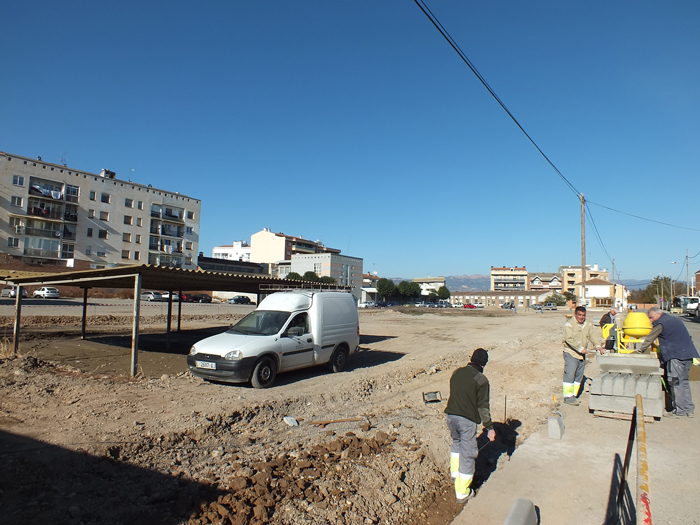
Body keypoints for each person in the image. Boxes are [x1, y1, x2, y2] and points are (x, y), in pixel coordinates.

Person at [444, 348, 496, 503]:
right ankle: (462, 493)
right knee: (468, 454)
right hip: (466, 421)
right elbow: (483, 408)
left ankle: (455, 474)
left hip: (450, 417)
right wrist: (489, 427)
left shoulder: (456, 373)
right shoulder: (482, 380)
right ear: (484, 364)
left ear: (471, 359)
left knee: (457, 443)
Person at [640, 306, 698, 417]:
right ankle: (689, 409)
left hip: (676, 356)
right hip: (688, 355)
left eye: (651, 318)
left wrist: (640, 350)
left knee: (675, 382)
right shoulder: (674, 319)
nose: (651, 320)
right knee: (684, 381)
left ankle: (680, 410)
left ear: (658, 314)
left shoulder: (661, 323)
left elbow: (650, 338)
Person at [562, 306, 603, 405]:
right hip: (571, 353)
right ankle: (567, 397)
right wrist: (580, 349)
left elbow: (592, 335)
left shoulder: (587, 324)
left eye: (583, 315)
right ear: (575, 314)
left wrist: (598, 346)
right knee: (570, 374)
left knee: (578, 376)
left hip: (582, 355)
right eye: (579, 315)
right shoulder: (569, 324)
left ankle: (574, 394)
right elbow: (569, 339)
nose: (581, 317)